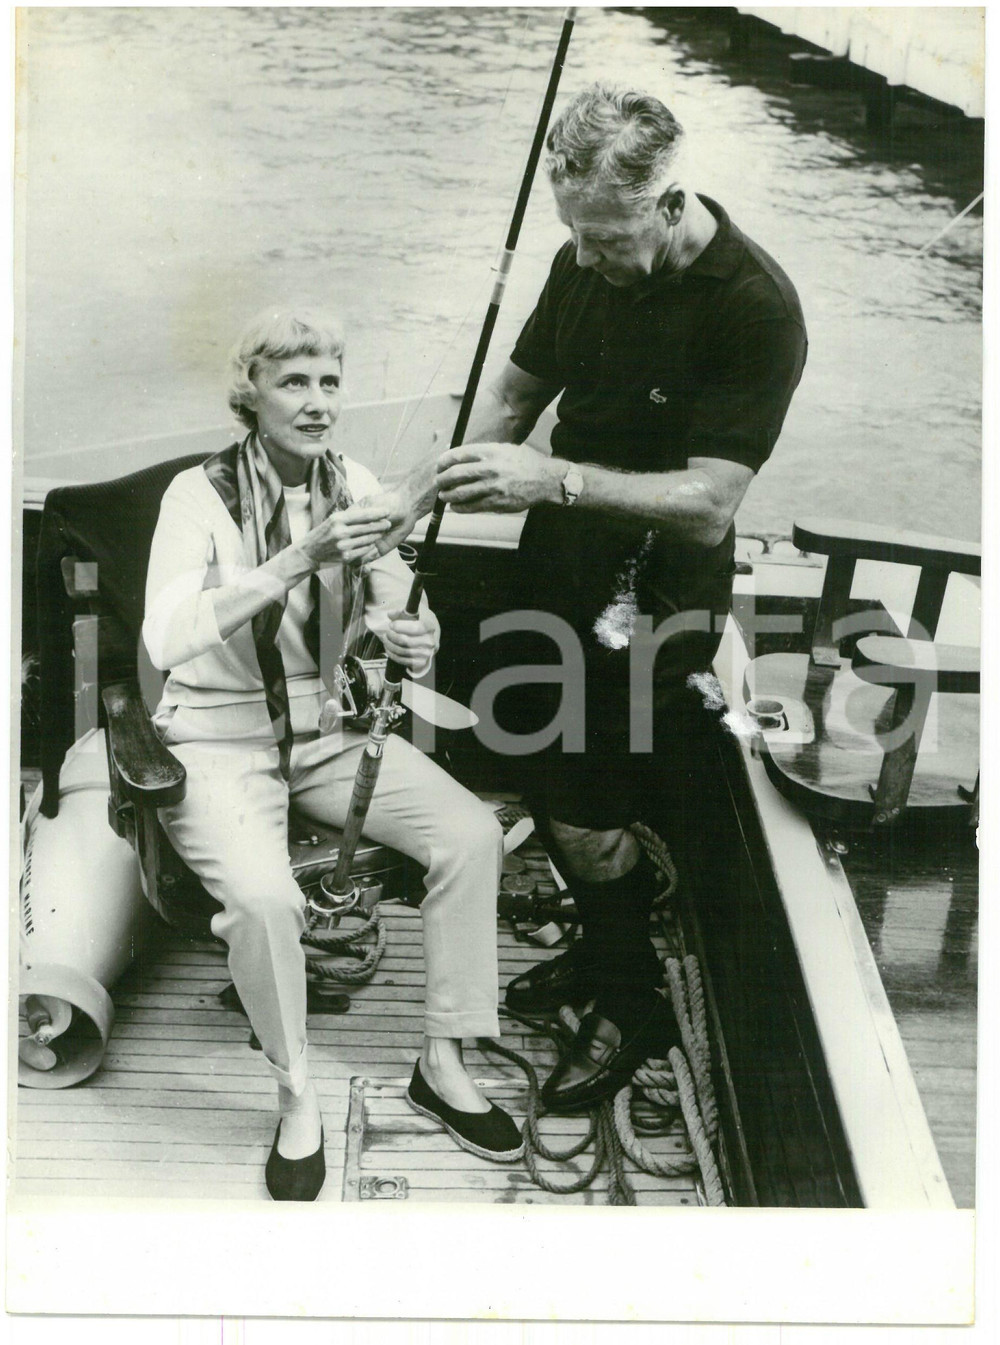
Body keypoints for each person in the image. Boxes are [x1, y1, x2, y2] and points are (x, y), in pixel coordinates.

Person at [375, 84, 807, 1114]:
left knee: (579, 797)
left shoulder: (754, 308)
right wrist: (416, 490)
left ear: (669, 202)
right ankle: (604, 949)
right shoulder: (584, 256)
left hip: (652, 584)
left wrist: (555, 479)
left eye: (608, 237)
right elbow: (518, 392)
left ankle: (634, 996)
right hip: (557, 556)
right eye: (576, 234)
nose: (590, 258)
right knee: (536, 757)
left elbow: (711, 503)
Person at [142, 307, 523, 1201]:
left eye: (330, 382)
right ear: (252, 395)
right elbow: (166, 637)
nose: (318, 404)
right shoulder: (196, 497)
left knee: (471, 835)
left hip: (329, 731)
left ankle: (443, 1057)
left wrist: (413, 635)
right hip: (218, 733)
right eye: (294, 383)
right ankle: (296, 1093)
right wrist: (295, 559)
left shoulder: (354, 481)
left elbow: (399, 604)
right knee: (266, 900)